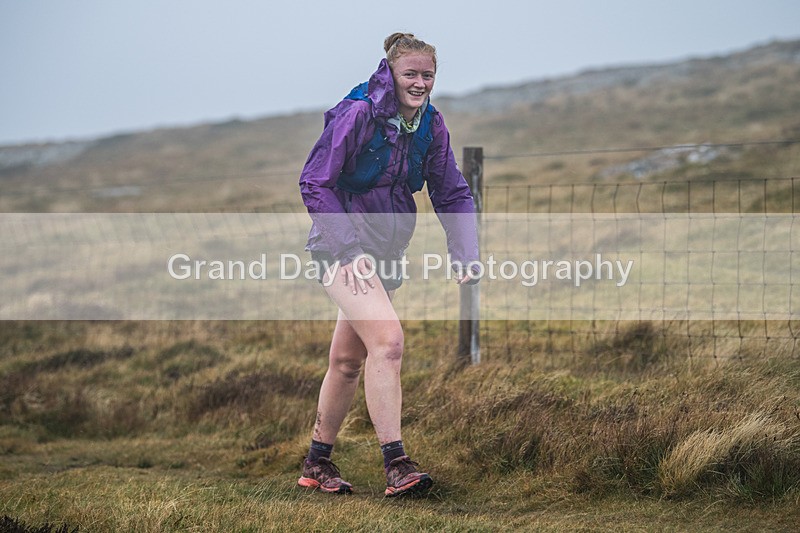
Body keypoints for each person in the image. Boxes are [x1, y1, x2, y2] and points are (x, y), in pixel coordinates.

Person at [297, 32, 479, 497]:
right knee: (389, 341)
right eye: (411, 74)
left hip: (386, 251)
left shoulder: (431, 125)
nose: (419, 82)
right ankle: (397, 464)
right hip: (341, 249)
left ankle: (316, 465)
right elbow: (314, 182)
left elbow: (451, 190)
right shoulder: (360, 113)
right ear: (392, 73)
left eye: (428, 75)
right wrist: (348, 251)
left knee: (347, 361)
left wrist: (465, 253)